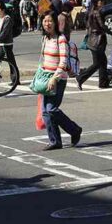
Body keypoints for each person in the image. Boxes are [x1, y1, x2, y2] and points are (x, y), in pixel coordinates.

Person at [37, 13, 82, 151]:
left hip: (58, 78)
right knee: (45, 111)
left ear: (55, 23)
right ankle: (55, 141)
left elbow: (63, 61)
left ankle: (74, 130)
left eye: (50, 21)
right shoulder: (45, 38)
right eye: (45, 21)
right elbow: (43, 58)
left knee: (50, 109)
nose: (47, 24)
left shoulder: (61, 39)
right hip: (46, 78)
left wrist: (54, 78)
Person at [77, 0, 112, 90]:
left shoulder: (90, 12)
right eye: (100, 2)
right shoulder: (97, 13)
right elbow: (102, 25)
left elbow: (87, 25)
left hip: (92, 40)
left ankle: (103, 83)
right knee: (98, 63)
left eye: (102, 2)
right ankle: (80, 78)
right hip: (97, 40)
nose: (102, 4)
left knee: (102, 62)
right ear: (97, 3)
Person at [0, 2, 17, 73]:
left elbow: (4, 32)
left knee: (11, 62)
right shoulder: (0, 18)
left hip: (7, 44)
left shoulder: (7, 19)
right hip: (1, 44)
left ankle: (15, 80)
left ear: (3, 10)